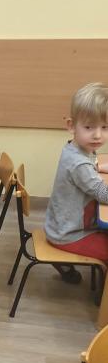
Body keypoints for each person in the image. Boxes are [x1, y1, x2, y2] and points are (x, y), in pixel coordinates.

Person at [45, 83, 108, 268]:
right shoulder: (79, 163)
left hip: (61, 226)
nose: (97, 135)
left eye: (105, 127)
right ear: (71, 126)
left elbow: (85, 170)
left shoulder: (76, 149)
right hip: (70, 234)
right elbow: (104, 195)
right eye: (89, 127)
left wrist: (98, 167)